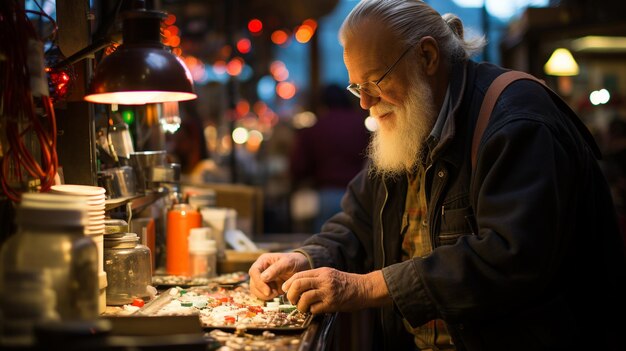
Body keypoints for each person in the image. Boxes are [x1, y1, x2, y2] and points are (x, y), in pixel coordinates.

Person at [248, 1, 626, 350]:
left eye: (374, 81)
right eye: (356, 87)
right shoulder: (413, 118)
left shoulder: (517, 122)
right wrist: (306, 258)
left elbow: (508, 258)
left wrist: (367, 287)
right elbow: (357, 222)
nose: (364, 102)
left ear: (426, 56)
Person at [289, 84, 370, 232]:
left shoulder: (315, 128)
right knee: (358, 242)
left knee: (326, 244)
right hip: (360, 194)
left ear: (322, 104)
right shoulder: (361, 125)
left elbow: (298, 166)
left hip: (326, 195)